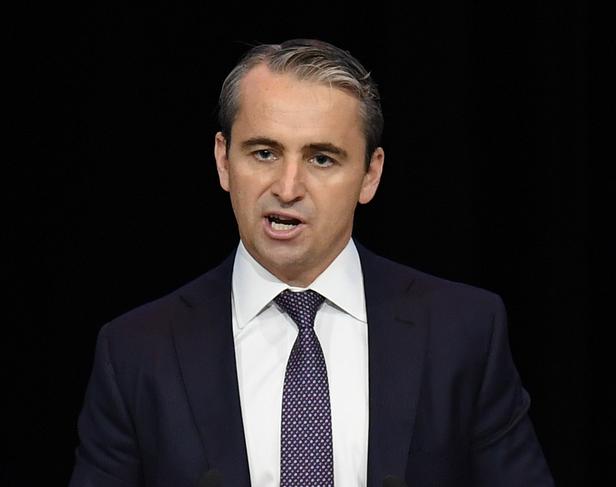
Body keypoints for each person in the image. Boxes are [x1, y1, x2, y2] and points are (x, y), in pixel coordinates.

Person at [69, 39, 555, 487]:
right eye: (264, 153)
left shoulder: (464, 331)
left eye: (322, 159)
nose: (287, 187)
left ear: (370, 175)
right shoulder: (135, 352)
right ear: (223, 161)